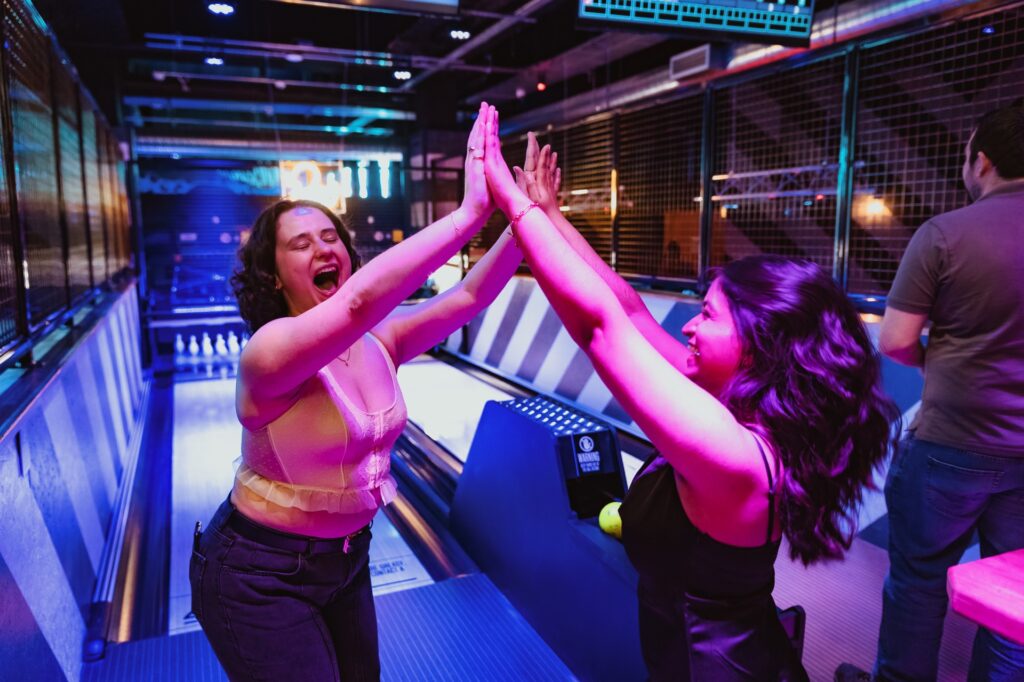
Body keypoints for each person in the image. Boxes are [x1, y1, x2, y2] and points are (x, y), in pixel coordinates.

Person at [482, 107, 900, 681]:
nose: (688, 329)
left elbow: (600, 328)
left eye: (707, 314)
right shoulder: (736, 401)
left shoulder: (737, 458)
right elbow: (625, 307)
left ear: (757, 343)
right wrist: (551, 216)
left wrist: (516, 206)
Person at [189, 102, 524, 681]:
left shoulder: (380, 341)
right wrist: (471, 213)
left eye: (330, 237)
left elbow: (469, 298)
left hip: (346, 560)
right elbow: (358, 301)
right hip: (256, 577)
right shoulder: (270, 351)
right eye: (300, 244)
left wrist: (526, 220)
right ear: (272, 274)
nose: (324, 249)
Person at [837, 102, 1024, 682]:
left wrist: (940, 362)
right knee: (1011, 597)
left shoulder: (944, 234)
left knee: (918, 581)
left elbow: (894, 341)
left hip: (948, 442)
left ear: (982, 161)